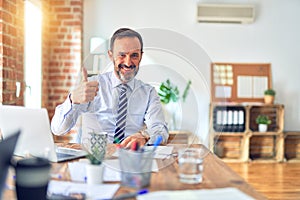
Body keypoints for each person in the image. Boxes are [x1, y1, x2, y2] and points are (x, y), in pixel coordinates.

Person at [51, 28, 169, 148]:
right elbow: (58, 129)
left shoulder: (148, 93)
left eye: (134, 55)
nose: (128, 63)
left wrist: (145, 136)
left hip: (130, 158)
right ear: (111, 55)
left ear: (141, 56)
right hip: (94, 159)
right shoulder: (91, 86)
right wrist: (73, 99)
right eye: (122, 55)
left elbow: (160, 130)